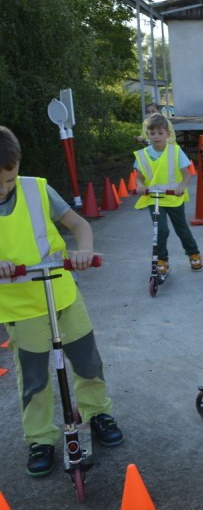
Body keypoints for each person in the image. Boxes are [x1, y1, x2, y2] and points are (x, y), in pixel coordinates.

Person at [0, 126, 123, 477]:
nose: (3, 189)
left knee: (88, 362)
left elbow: (78, 224)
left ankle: (97, 412)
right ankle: (40, 438)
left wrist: (84, 250)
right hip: (22, 309)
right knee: (34, 378)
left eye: (8, 180)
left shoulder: (36, 189)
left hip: (62, 294)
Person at [134, 113, 203, 274]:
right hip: (154, 198)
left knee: (182, 229)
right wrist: (141, 186)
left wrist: (181, 187)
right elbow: (139, 178)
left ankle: (193, 253)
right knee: (161, 230)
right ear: (147, 134)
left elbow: (186, 175)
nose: (156, 136)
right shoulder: (143, 155)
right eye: (152, 133)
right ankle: (162, 260)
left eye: (160, 133)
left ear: (168, 134)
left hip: (173, 198)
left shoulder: (175, 151)